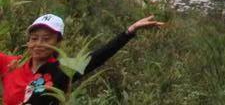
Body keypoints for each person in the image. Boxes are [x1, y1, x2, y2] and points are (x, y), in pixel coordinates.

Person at [3, 12, 163, 104]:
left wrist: (130, 31)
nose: (38, 44)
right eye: (34, 38)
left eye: (46, 39)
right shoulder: (11, 64)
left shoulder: (62, 70)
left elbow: (98, 57)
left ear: (58, 42)